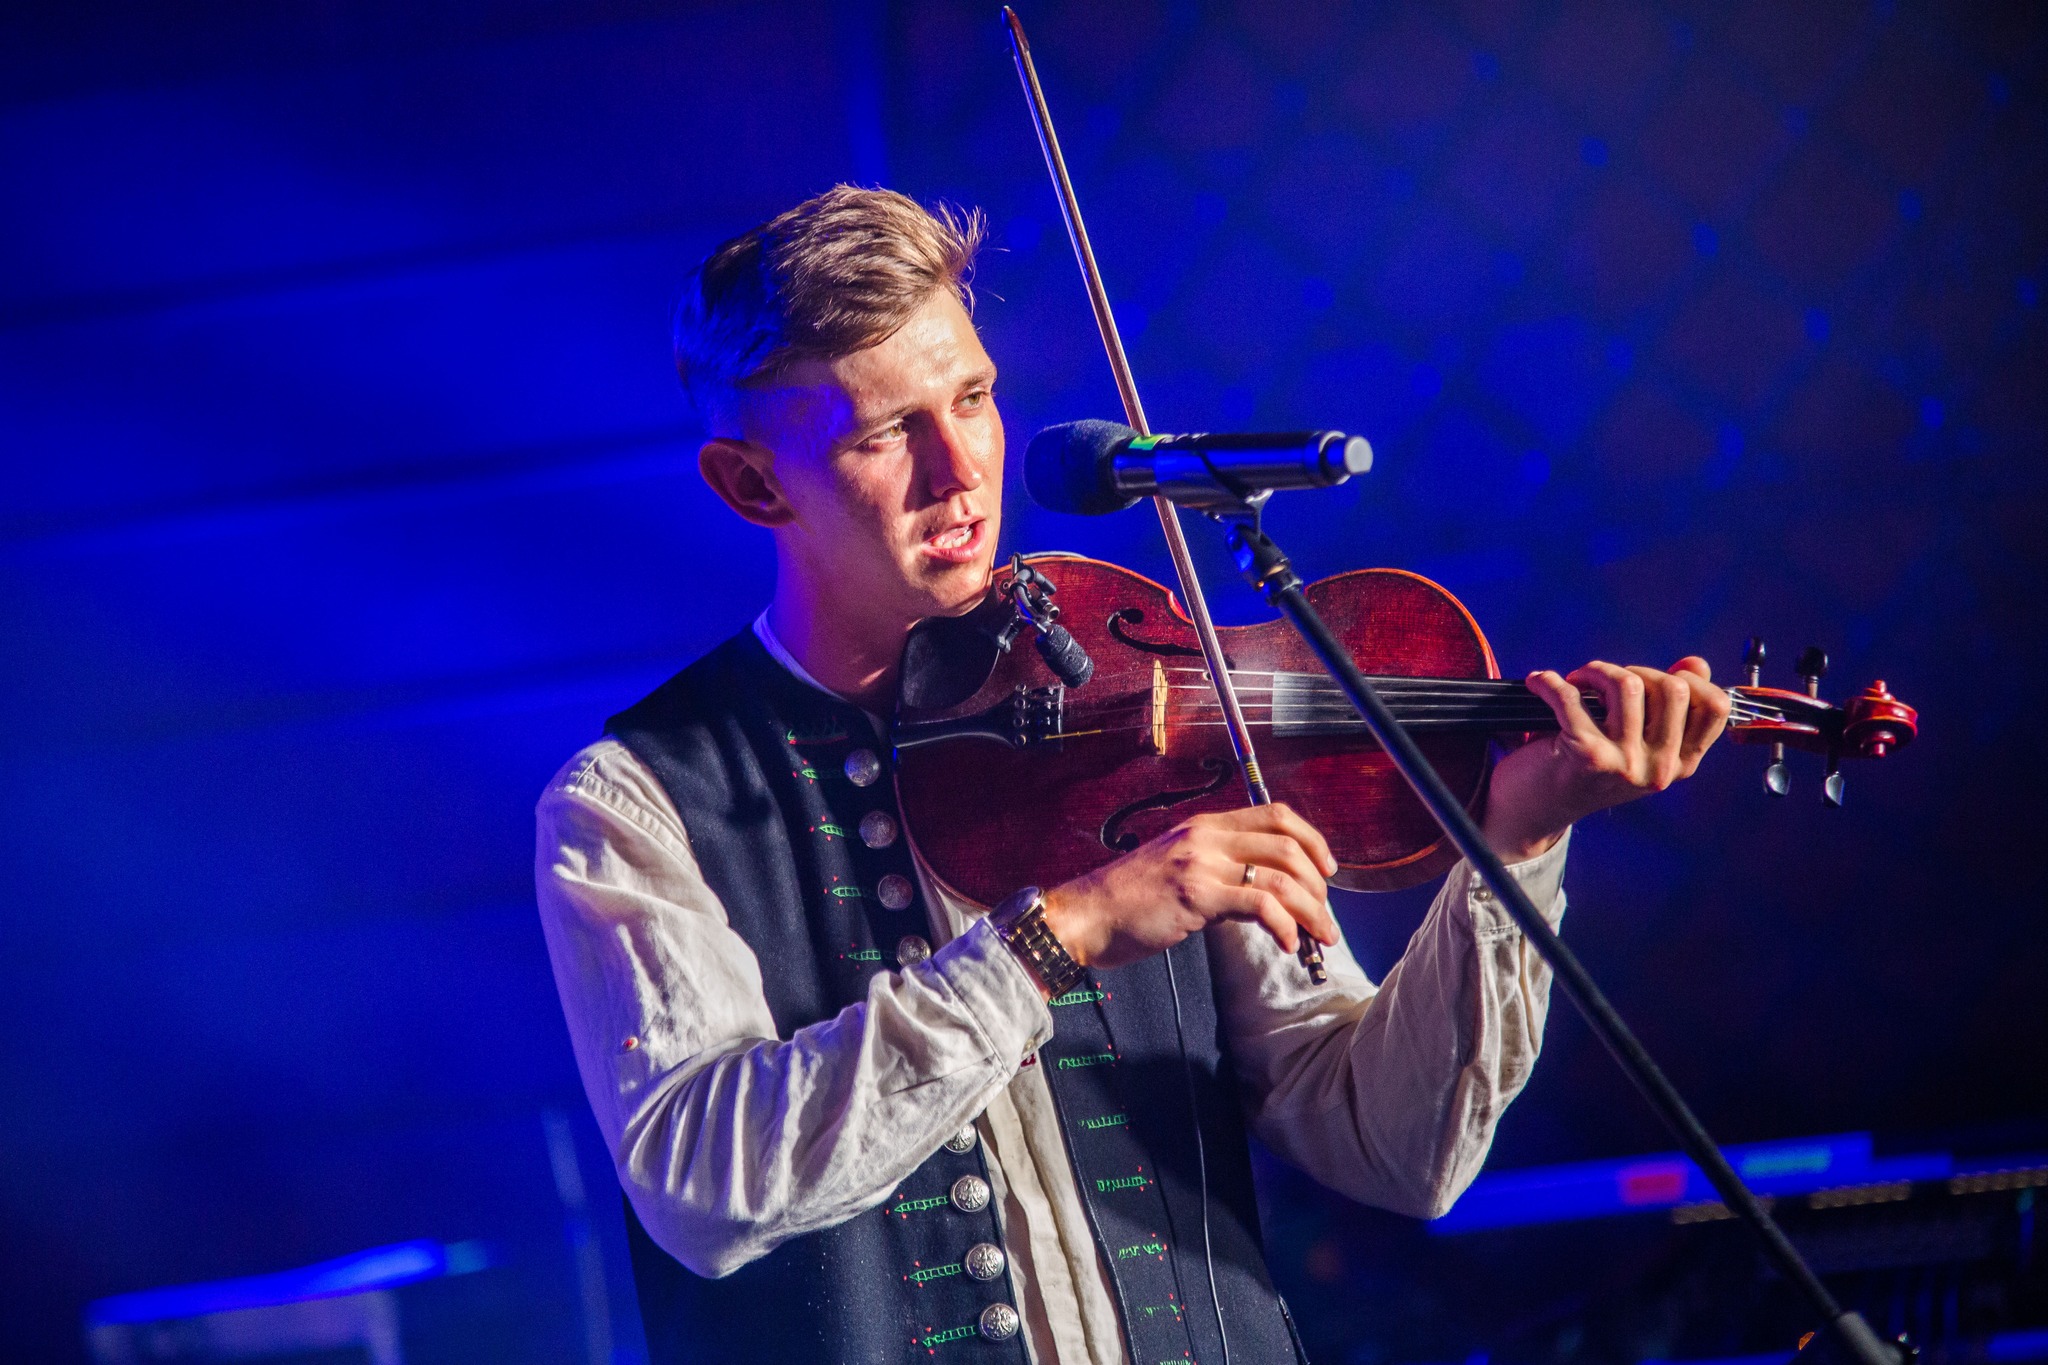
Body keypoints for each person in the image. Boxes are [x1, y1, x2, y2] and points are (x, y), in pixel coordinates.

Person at [534, 186, 1730, 1365]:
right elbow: (707, 1186)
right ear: (751, 484)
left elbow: (1394, 1148)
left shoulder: (1133, 700)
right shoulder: (635, 802)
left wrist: (1512, 846)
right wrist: (1064, 932)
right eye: (884, 433)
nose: (959, 471)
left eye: (972, 398)